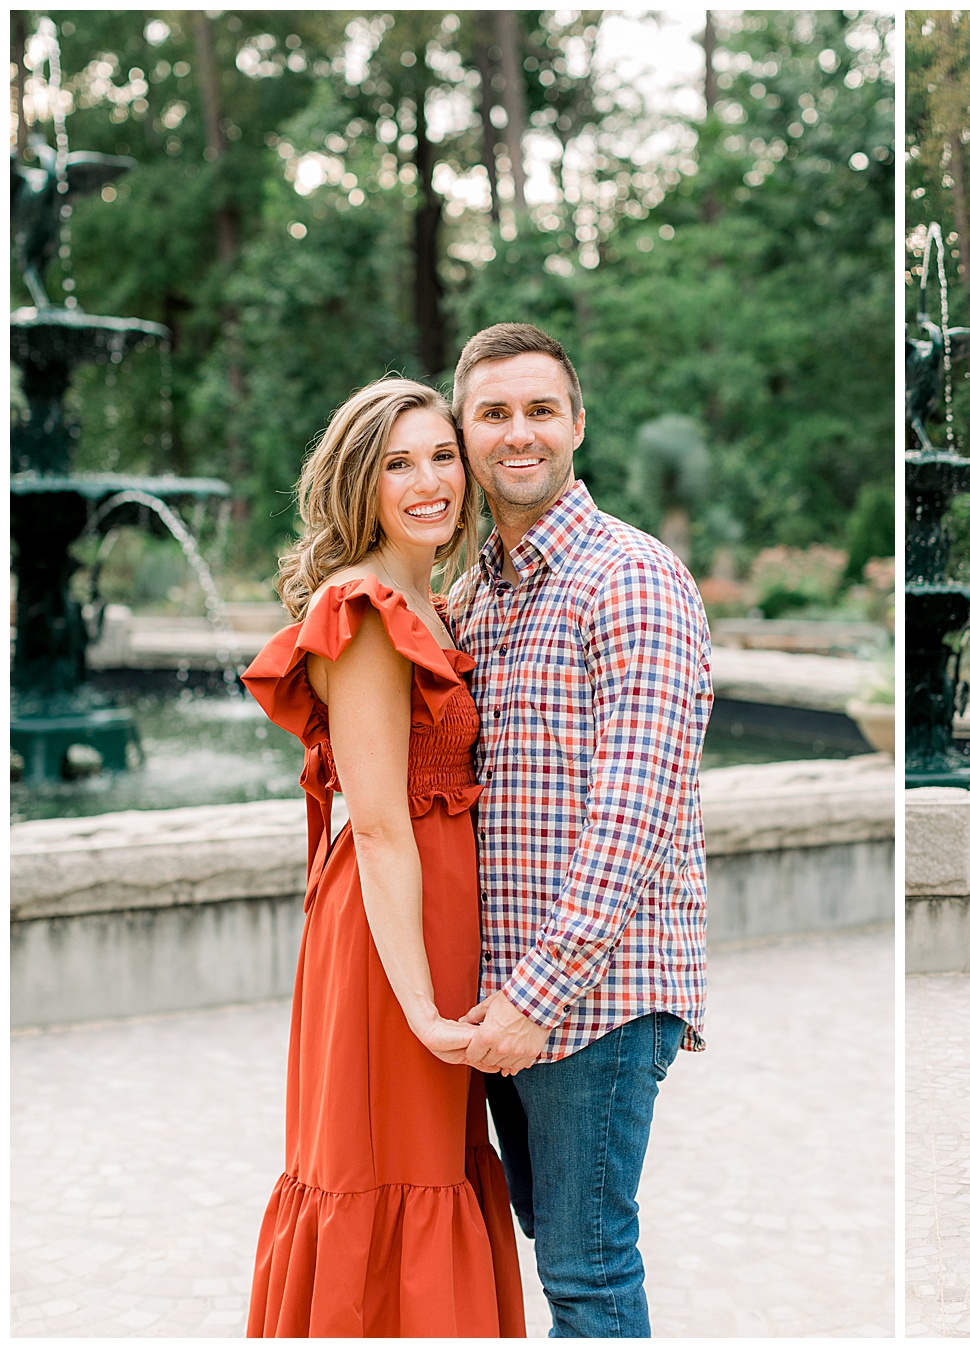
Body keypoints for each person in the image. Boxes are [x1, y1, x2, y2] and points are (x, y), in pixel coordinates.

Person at [442, 323, 713, 1337]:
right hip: (508, 996)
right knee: (561, 1250)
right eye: (495, 412)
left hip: (592, 1000)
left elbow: (634, 815)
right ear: (467, 432)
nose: (520, 433)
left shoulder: (629, 577)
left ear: (577, 425)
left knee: (590, 1273)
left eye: (540, 410)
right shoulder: (476, 595)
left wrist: (533, 997)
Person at [240, 378, 525, 1335]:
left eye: (442, 455)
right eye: (399, 463)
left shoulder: (429, 598)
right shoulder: (363, 609)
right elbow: (376, 824)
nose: (430, 480)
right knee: (384, 1170)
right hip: (386, 942)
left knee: (431, 1166)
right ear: (360, 481)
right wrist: (418, 1007)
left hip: (429, 924)